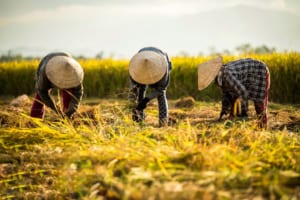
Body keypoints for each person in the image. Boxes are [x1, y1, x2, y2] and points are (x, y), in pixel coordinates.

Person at [198, 56, 270, 128]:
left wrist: (243, 113)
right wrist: (224, 110)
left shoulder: (227, 75)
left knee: (259, 103)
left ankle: (263, 127)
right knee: (234, 96)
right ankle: (233, 117)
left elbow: (242, 92)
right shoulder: (221, 76)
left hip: (259, 71)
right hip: (249, 74)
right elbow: (228, 95)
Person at [30, 52, 84, 119]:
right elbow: (42, 91)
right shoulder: (44, 72)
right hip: (46, 65)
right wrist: (56, 109)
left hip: (66, 62)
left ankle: (68, 117)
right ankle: (35, 118)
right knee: (39, 97)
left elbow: (78, 92)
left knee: (68, 93)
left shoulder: (74, 73)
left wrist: (72, 109)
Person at [128, 47, 172, 126]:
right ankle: (139, 120)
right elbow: (132, 91)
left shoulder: (163, 70)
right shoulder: (134, 69)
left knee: (161, 95)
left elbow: (160, 89)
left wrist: (146, 100)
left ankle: (163, 122)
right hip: (141, 63)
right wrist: (133, 107)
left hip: (161, 61)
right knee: (140, 93)